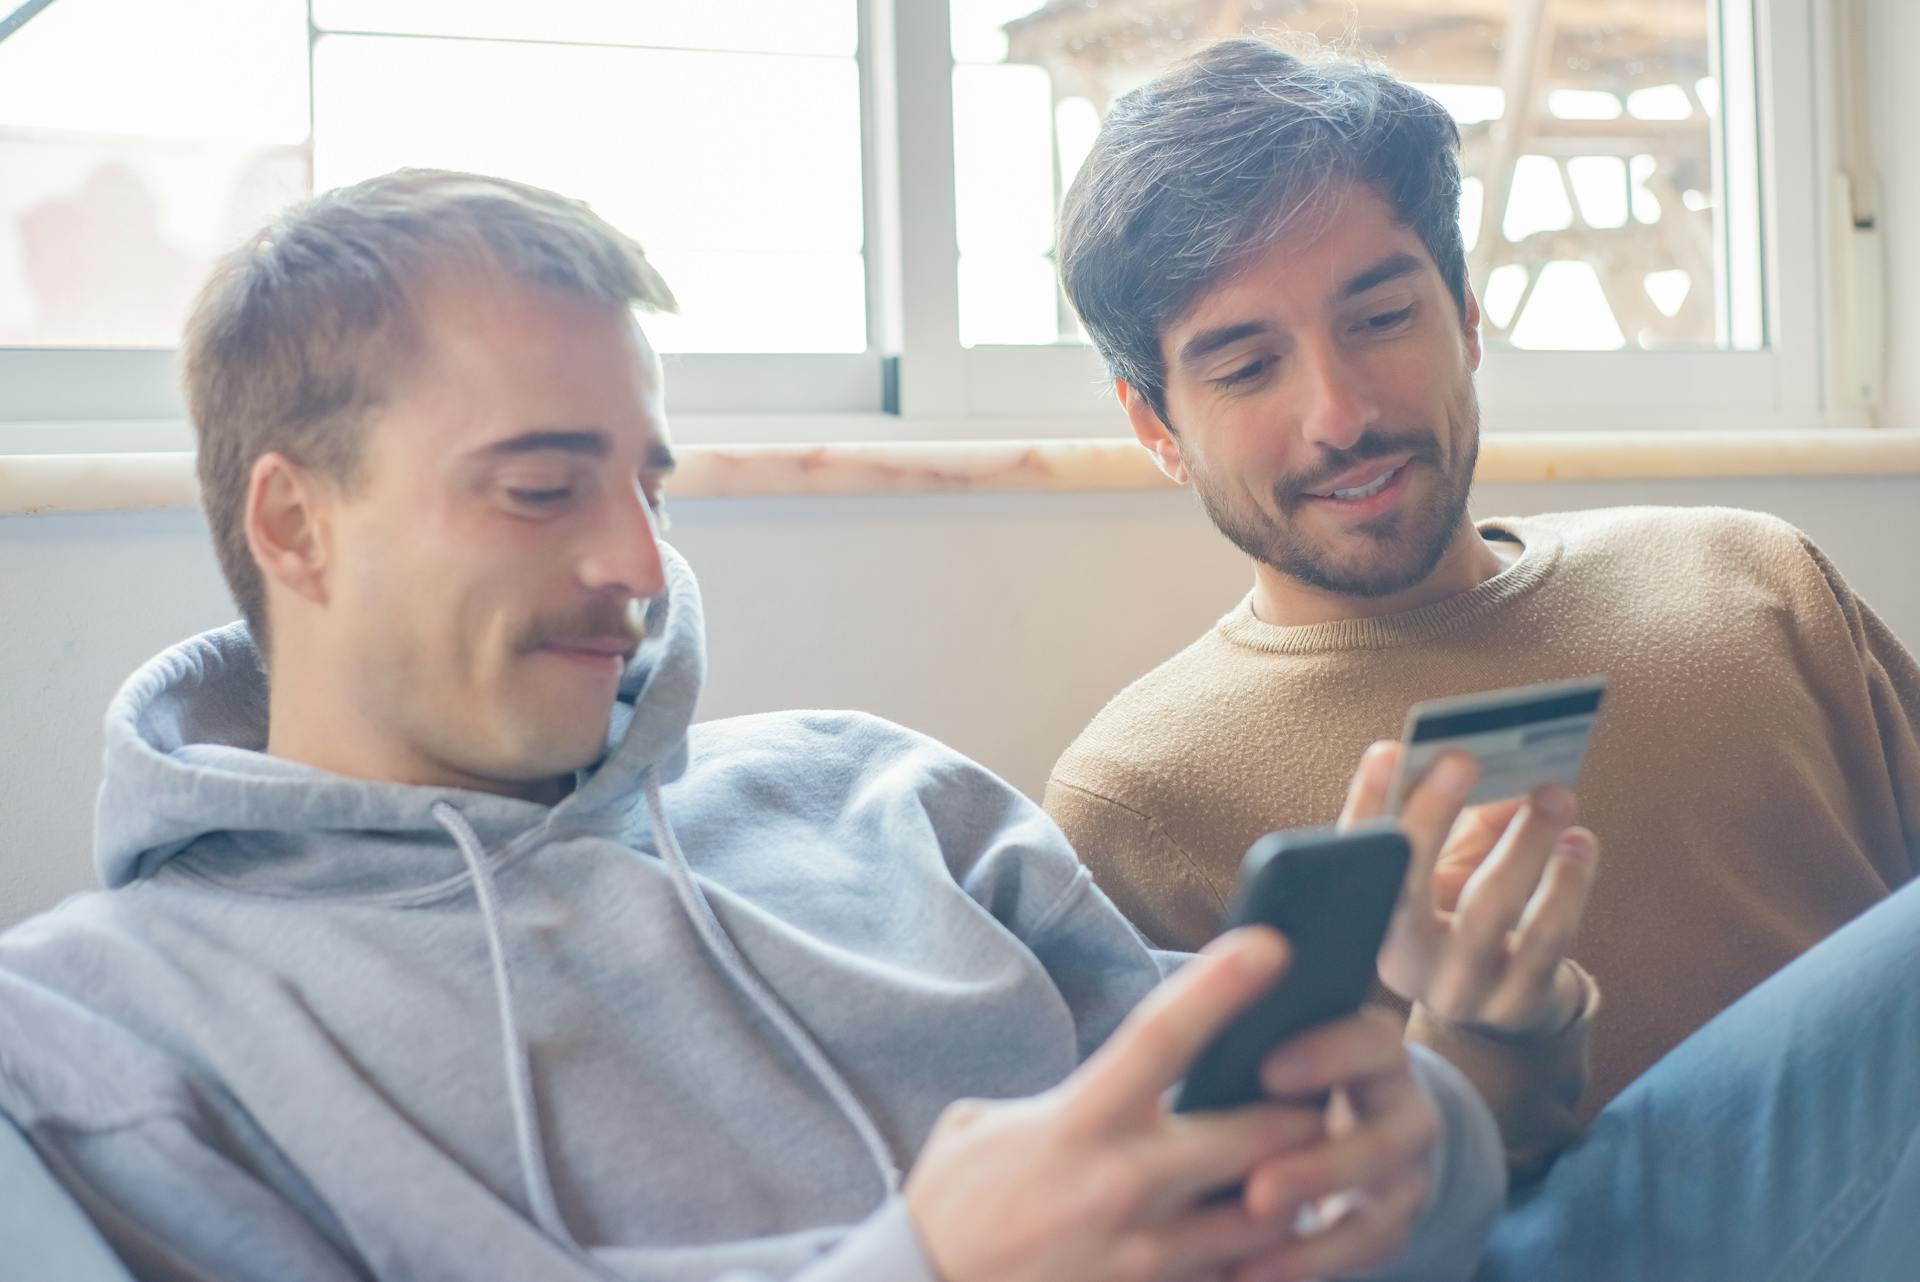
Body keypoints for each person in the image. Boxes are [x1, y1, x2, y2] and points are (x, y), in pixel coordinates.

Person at [0, 168, 1559, 1282]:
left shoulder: (878, 792)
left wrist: (1408, 1135)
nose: (635, 563)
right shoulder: (103, 1029)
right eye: (543, 487)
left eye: (645, 485)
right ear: (295, 523)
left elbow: (1378, 1190)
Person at [1042, 37, 1920, 1145]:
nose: (1340, 413)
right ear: (1155, 426)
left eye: (1380, 318)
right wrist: (1476, 1039)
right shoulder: (1132, 805)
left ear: (1464, 316)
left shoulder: (1754, 578)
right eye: (1246, 367)